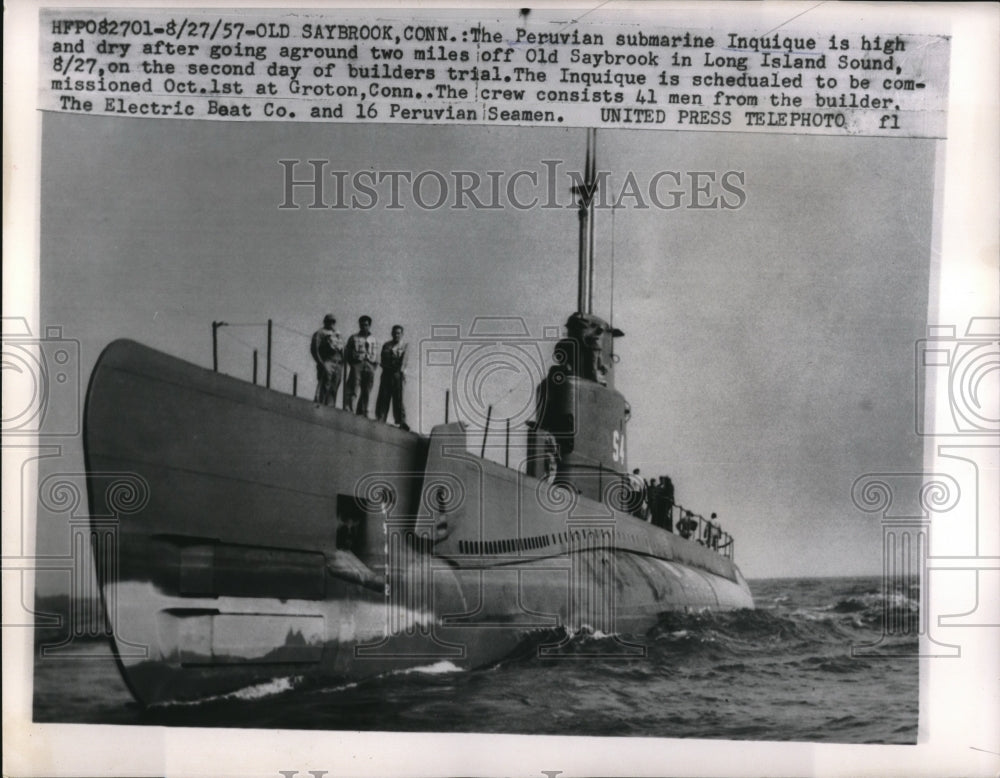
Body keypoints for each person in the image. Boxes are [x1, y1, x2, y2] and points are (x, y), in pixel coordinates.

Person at [375, 324, 409, 430]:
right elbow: (382, 359)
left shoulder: (404, 346)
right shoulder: (386, 345)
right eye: (394, 333)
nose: (396, 335)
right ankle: (381, 418)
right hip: (386, 373)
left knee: (398, 398)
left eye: (398, 333)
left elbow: (404, 361)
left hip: (397, 374)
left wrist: (401, 373)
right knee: (383, 397)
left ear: (402, 334)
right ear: (391, 333)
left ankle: (401, 421)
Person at [344, 315, 379, 416]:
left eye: (366, 325)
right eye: (362, 325)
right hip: (357, 364)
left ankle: (362, 411)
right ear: (359, 325)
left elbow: (377, 355)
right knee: (353, 387)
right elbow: (348, 352)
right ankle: (349, 409)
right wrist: (353, 364)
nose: (364, 327)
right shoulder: (354, 337)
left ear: (369, 325)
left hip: (369, 365)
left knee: (367, 390)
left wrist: (373, 367)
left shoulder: (374, 339)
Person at [310, 313, 344, 406]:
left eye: (333, 321)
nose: (331, 323)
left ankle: (330, 407)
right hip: (327, 360)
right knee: (325, 384)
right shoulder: (320, 333)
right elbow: (314, 349)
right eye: (329, 321)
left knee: (335, 385)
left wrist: (342, 362)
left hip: (338, 362)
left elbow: (341, 348)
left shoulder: (338, 334)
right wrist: (320, 362)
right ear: (325, 322)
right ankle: (320, 404)